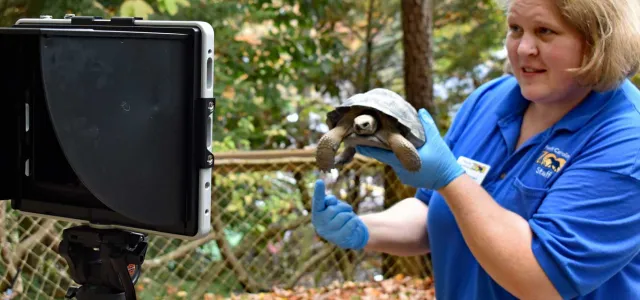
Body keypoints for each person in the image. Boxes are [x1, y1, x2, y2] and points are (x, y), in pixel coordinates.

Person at [311, 0, 640, 299]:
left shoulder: (626, 140)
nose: (523, 48)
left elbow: (542, 279)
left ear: (598, 42)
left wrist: (451, 179)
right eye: (515, 29)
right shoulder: (491, 99)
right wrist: (364, 229)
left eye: (545, 31)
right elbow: (433, 213)